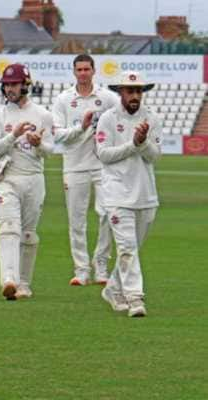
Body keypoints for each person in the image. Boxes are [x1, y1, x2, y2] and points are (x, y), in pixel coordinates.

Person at [0, 64, 54, 300]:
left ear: (25, 85)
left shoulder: (42, 114)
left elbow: (50, 150)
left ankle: (24, 284)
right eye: (6, 84)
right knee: (9, 228)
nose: (9, 89)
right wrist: (13, 135)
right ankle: (8, 279)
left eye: (13, 84)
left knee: (28, 234)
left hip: (34, 179)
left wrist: (38, 144)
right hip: (7, 179)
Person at [96, 71, 161, 318]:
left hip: (145, 194)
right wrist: (133, 144)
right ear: (120, 92)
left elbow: (155, 156)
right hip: (117, 194)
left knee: (132, 248)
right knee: (126, 248)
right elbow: (103, 154)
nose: (135, 95)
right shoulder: (108, 119)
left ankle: (113, 288)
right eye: (129, 90)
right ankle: (135, 298)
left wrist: (142, 143)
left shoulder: (152, 118)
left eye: (138, 91)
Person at [52, 54, 118, 286]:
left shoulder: (108, 98)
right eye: (79, 69)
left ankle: (100, 264)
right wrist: (81, 128)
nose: (82, 73)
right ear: (74, 72)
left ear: (93, 71)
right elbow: (57, 135)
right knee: (76, 220)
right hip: (74, 166)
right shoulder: (63, 99)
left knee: (107, 213)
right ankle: (81, 270)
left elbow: (118, 124)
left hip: (102, 165)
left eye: (86, 69)